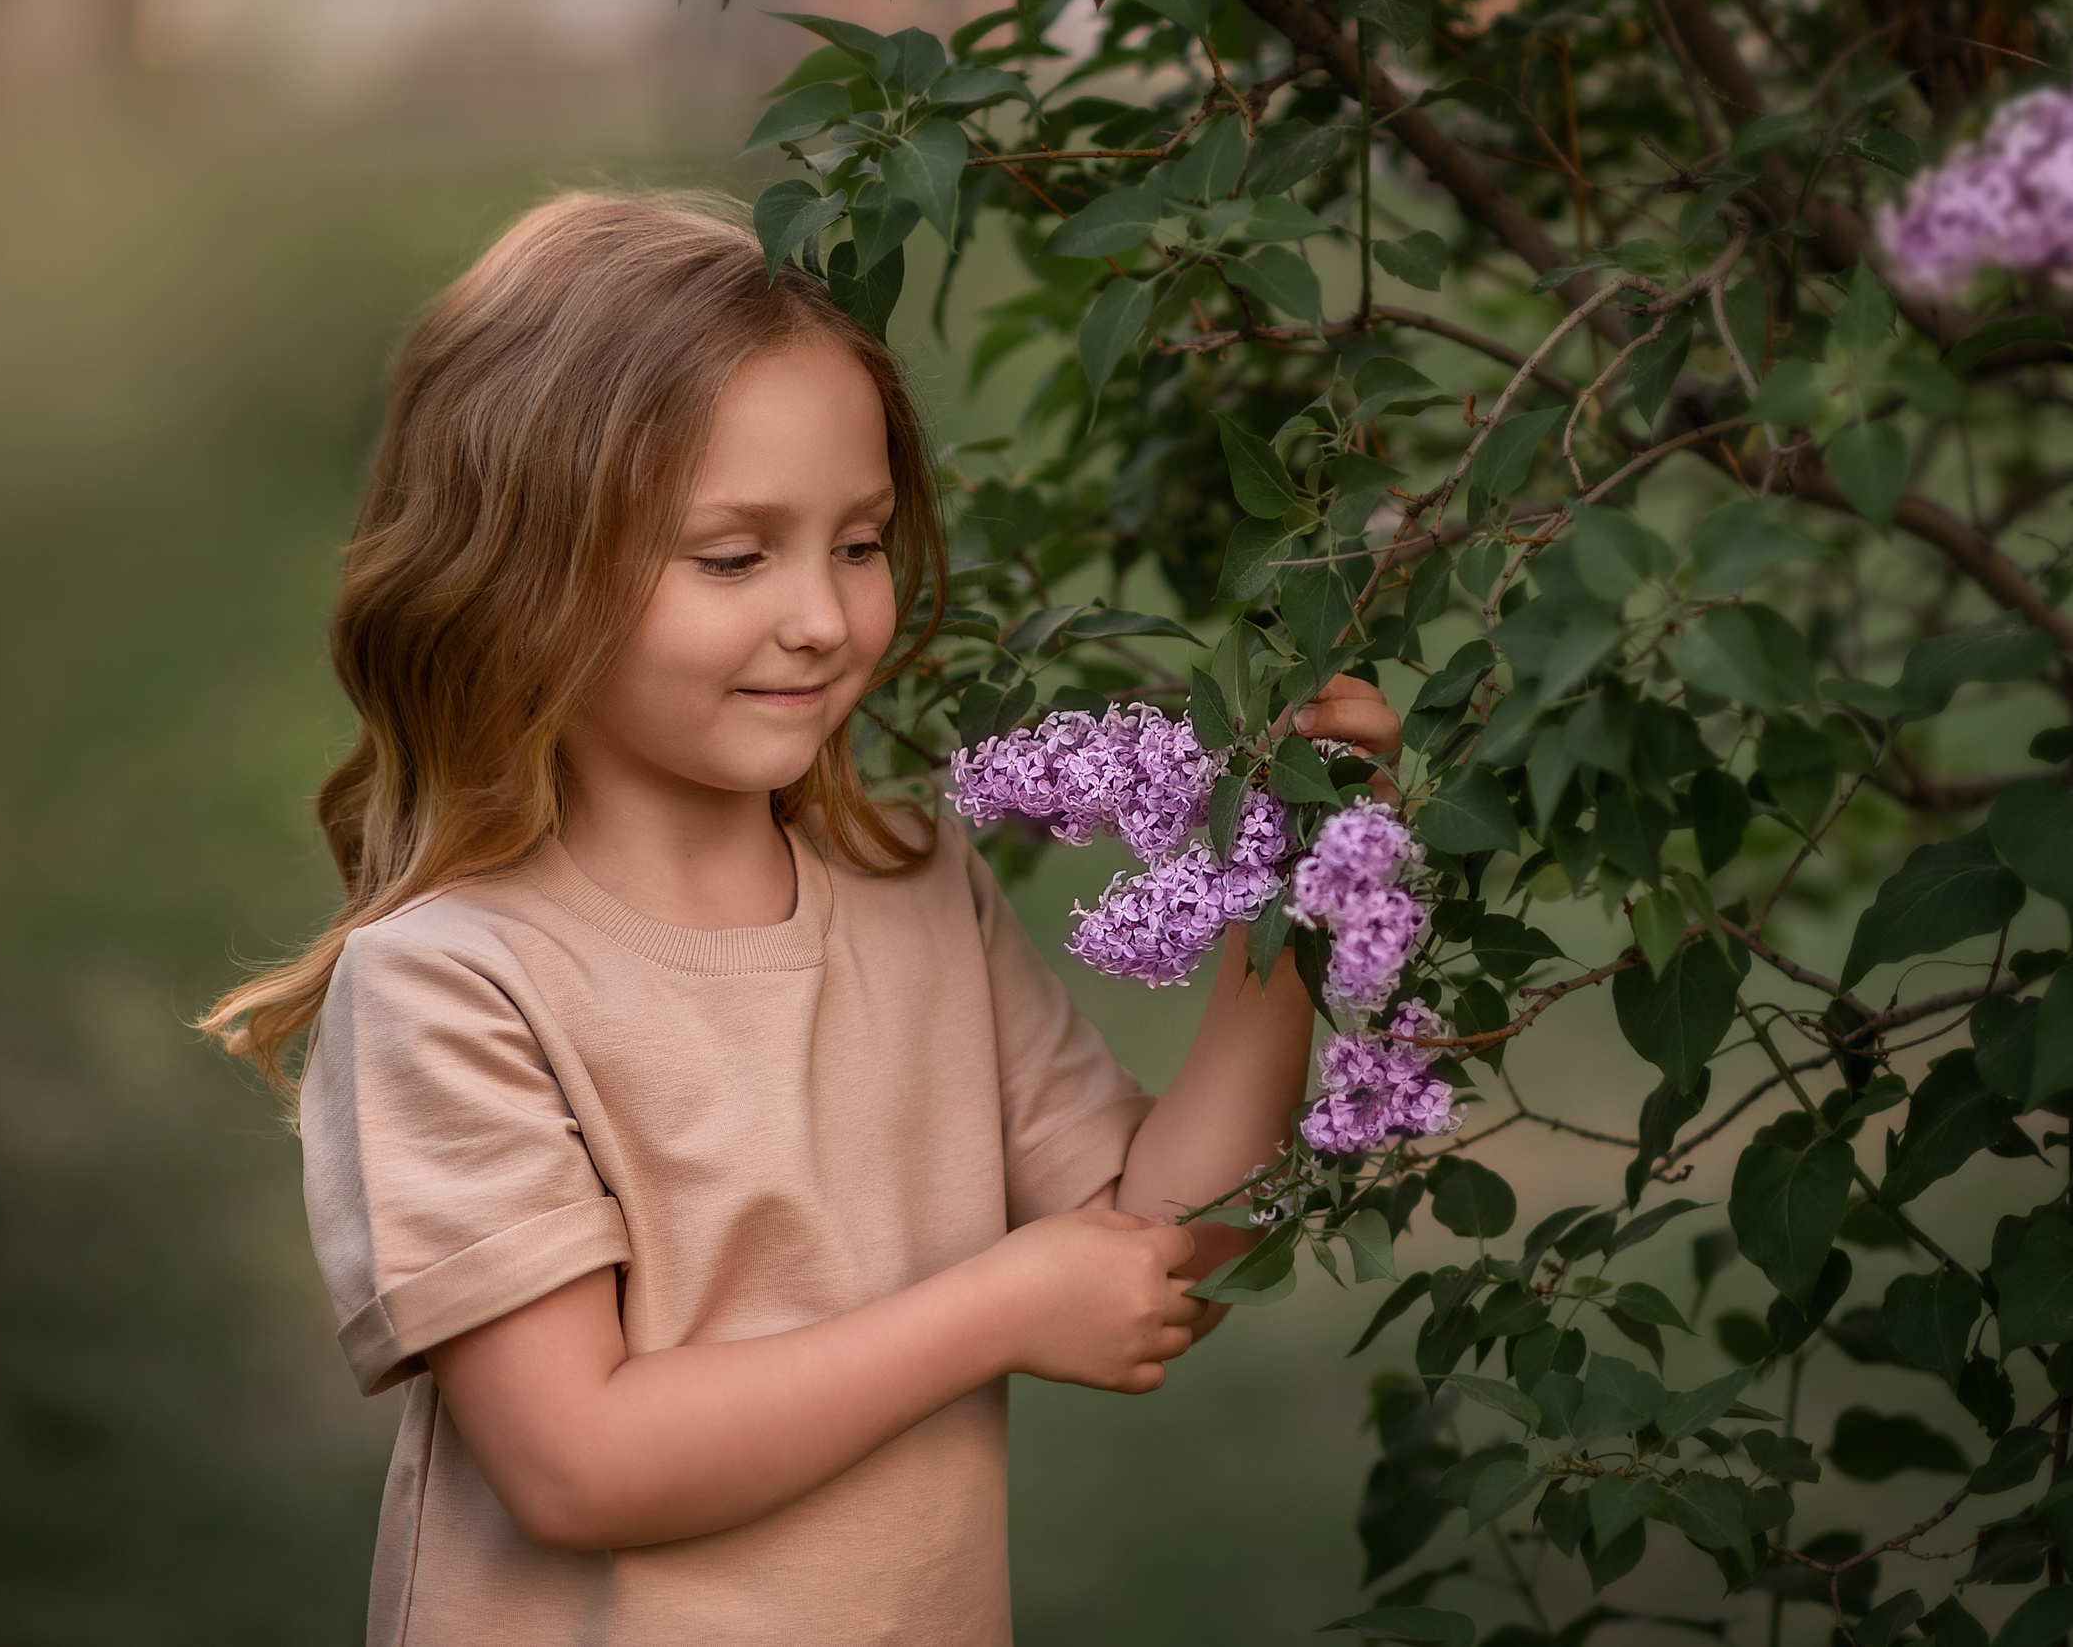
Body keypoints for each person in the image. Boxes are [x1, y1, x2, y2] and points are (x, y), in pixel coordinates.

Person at [199, 189, 1400, 1646]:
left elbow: (1167, 1248)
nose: (824, 619)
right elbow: (577, 1463)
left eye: (860, 543)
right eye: (733, 557)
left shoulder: (913, 889)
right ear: (522, 578)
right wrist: (996, 1311)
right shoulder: (457, 984)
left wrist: (1287, 887)